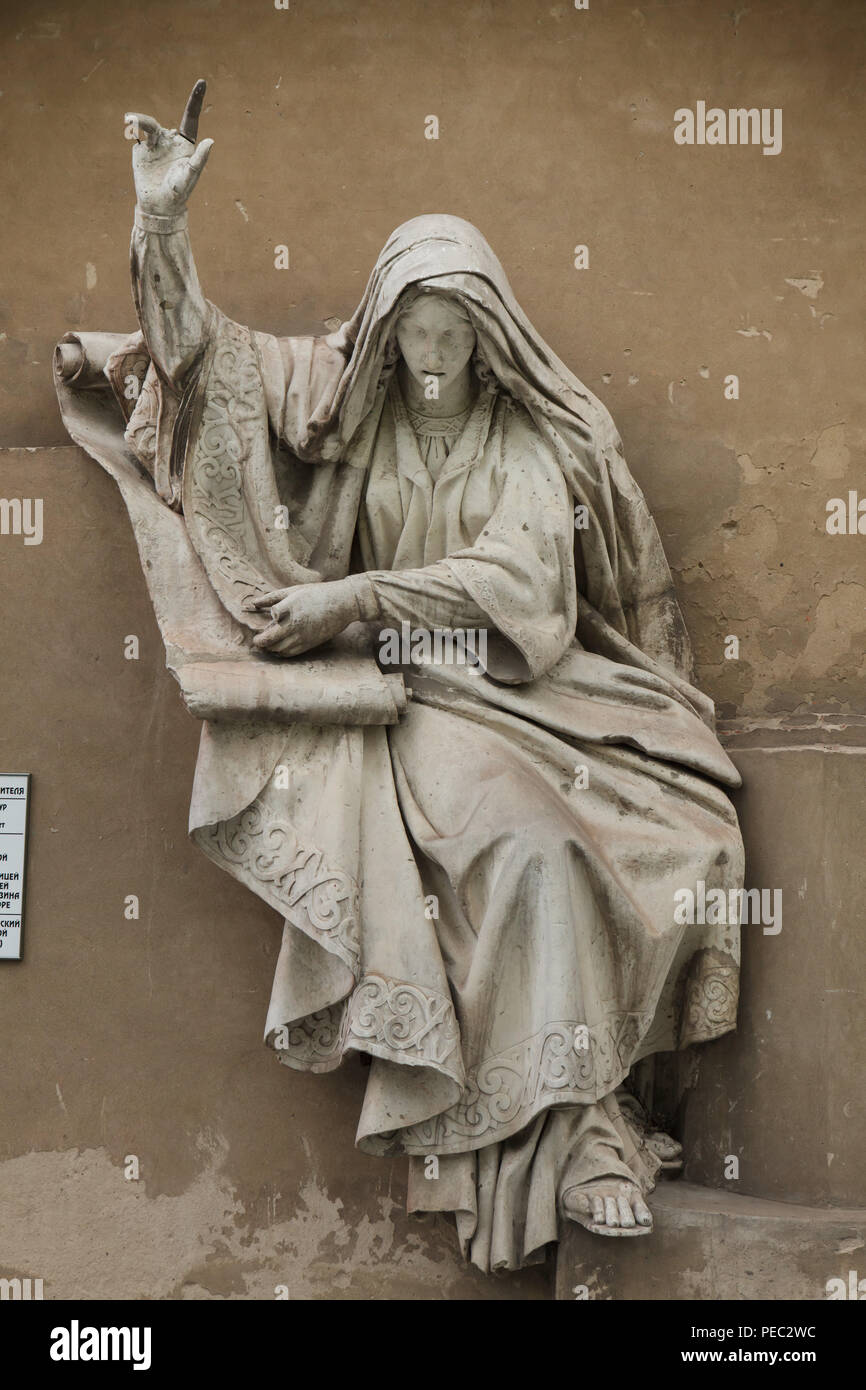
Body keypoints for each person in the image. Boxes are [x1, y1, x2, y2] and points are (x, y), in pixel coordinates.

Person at [60, 83, 745, 1273]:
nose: (430, 358)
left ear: (488, 338)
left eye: (452, 336)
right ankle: (572, 1131)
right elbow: (200, 363)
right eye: (412, 333)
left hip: (522, 688)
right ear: (385, 332)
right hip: (406, 699)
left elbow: (523, 591)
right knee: (533, 847)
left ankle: (584, 1117)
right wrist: (161, 229)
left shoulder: (526, 443)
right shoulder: (344, 407)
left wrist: (358, 595)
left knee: (672, 832)